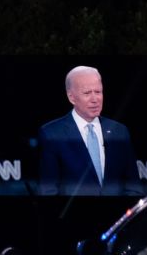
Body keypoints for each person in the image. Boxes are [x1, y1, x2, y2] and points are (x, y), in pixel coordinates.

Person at [38, 66, 140, 196]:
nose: (95, 99)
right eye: (87, 93)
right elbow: (48, 190)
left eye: (98, 92)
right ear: (71, 97)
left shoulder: (119, 131)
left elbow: (134, 186)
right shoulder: (51, 133)